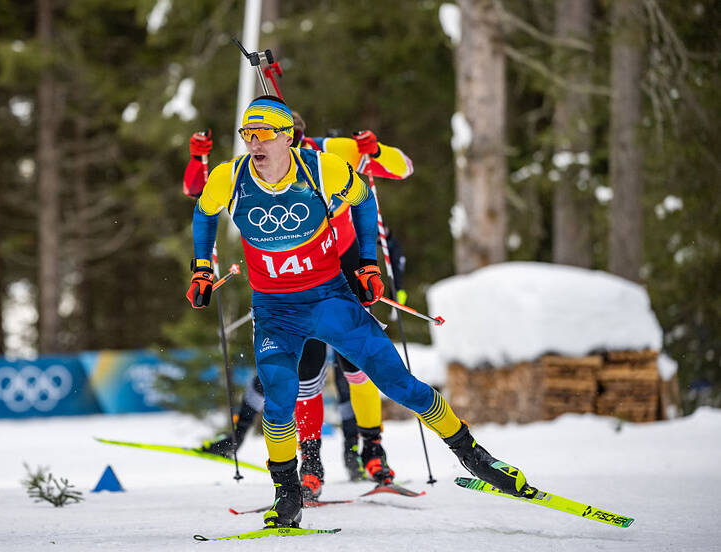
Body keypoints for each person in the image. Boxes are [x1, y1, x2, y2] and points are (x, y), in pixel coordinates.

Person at [186, 95, 532, 528]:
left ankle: (473, 456)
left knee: (399, 383)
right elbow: (203, 213)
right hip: (275, 310)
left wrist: (368, 263)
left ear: (287, 137)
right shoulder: (229, 178)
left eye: (264, 135)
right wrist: (201, 270)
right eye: (248, 135)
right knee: (279, 400)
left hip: (331, 300)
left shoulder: (322, 167)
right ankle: (288, 493)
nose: (255, 144)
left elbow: (366, 200)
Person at [184, 112, 414, 498]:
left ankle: (373, 449)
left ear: (295, 137)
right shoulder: (256, 168)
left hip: (344, 261)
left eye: (289, 141)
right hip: (292, 277)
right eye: (254, 138)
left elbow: (401, 168)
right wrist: (196, 159)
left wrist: (375, 150)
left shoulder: (330, 154)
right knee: (307, 370)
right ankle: (311, 462)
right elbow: (200, 195)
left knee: (356, 366)